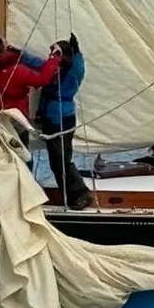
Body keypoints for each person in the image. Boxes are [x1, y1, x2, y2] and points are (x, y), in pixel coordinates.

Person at [37, 33, 92, 209]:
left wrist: (73, 48)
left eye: (56, 53)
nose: (52, 56)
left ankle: (79, 193)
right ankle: (69, 196)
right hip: (52, 116)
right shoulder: (55, 69)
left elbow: (77, 64)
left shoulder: (71, 71)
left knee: (61, 159)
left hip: (61, 117)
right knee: (56, 161)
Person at [0, 36, 61, 124]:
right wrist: (54, 58)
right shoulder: (16, 71)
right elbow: (42, 79)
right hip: (16, 117)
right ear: (3, 50)